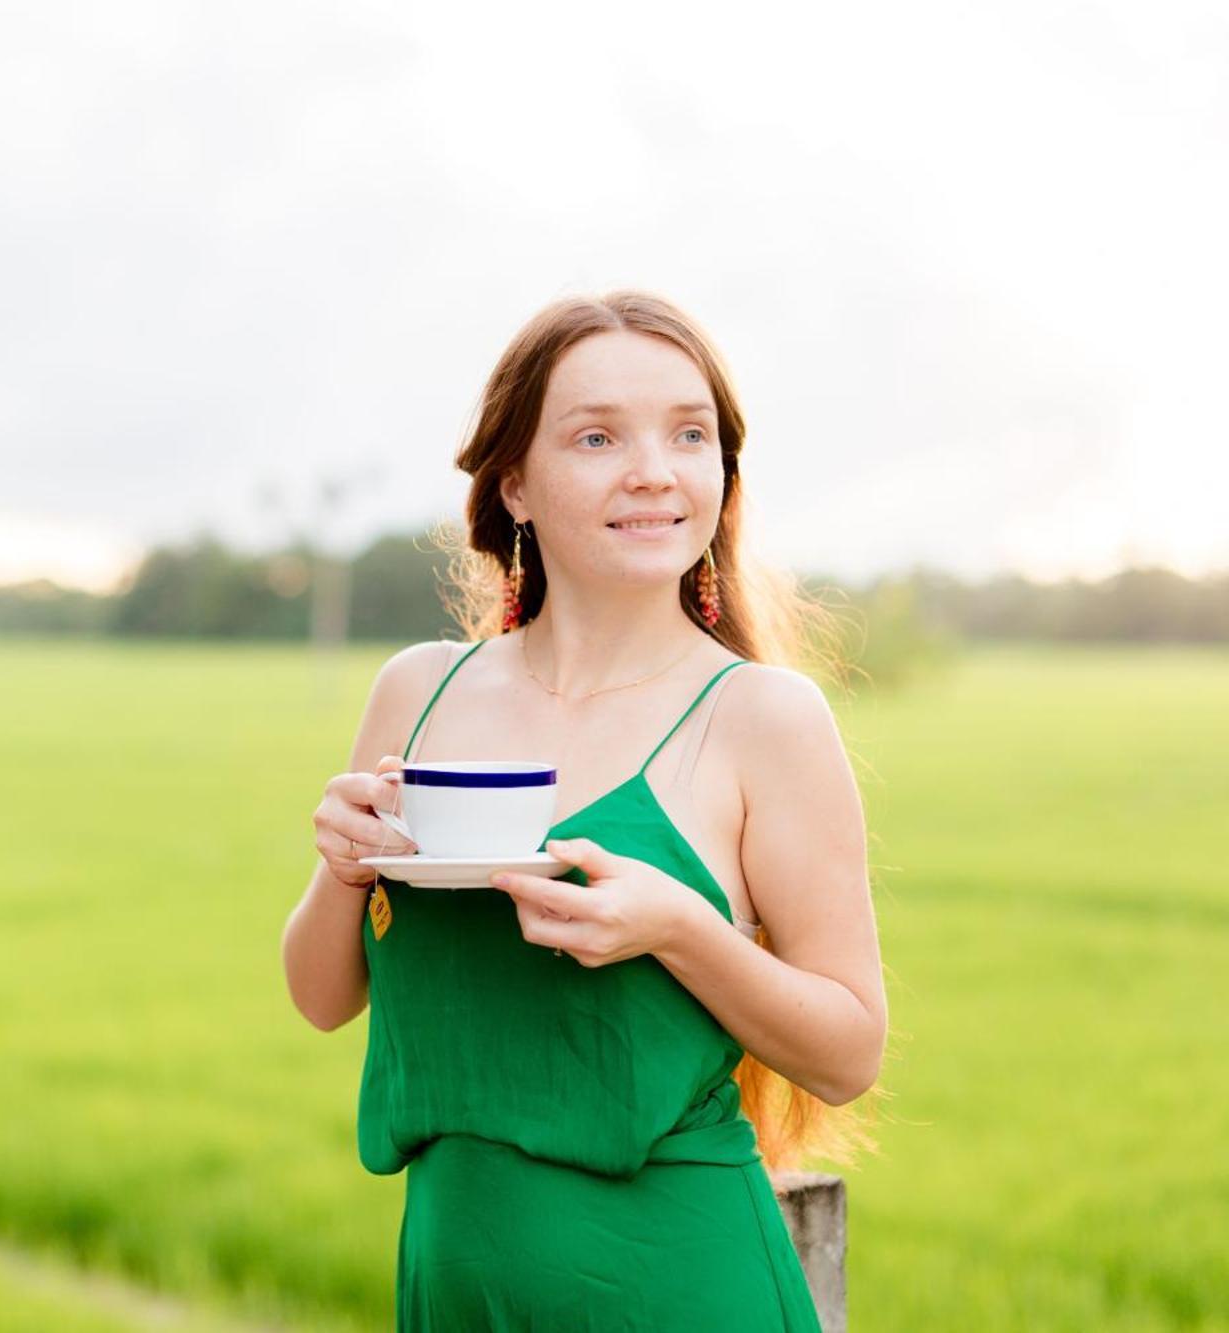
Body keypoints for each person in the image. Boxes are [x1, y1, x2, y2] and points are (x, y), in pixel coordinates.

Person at [280, 291, 888, 1329]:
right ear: (513, 481)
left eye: (687, 435)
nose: (652, 468)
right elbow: (322, 996)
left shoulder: (761, 719)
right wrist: (341, 868)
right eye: (597, 435)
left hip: (681, 1288)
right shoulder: (418, 692)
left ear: (720, 478)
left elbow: (846, 1051)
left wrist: (679, 929)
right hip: (452, 1285)